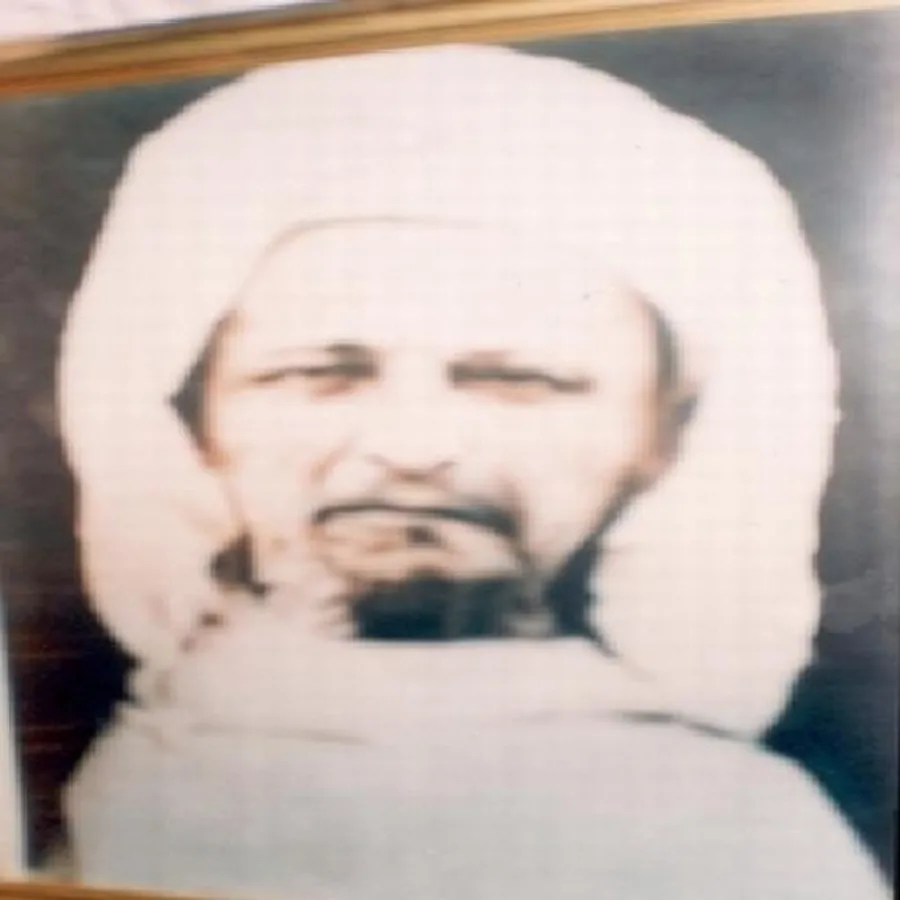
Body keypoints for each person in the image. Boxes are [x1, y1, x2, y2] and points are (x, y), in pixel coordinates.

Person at [57, 45, 886, 899]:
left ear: (664, 438)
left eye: (520, 381)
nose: (413, 446)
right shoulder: (79, 804)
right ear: (194, 421)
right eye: (319, 373)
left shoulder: (746, 837)